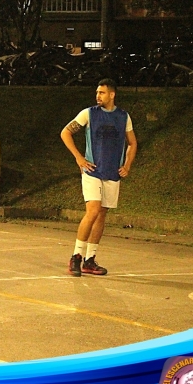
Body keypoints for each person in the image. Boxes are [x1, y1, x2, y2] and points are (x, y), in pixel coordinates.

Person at [60, 79, 138, 277]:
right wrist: (79, 158)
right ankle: (76, 256)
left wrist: (127, 165)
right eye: (97, 92)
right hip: (92, 171)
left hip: (112, 173)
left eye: (102, 92)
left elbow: (132, 143)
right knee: (93, 210)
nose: (98, 96)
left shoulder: (123, 117)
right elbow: (66, 132)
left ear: (112, 95)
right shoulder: (89, 113)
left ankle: (90, 259)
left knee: (102, 214)